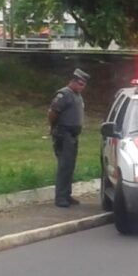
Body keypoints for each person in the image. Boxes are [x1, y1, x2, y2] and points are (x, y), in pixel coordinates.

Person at [48, 68, 90, 208]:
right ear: (72, 81)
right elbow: (53, 112)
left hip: (73, 135)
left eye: (84, 85)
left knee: (70, 166)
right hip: (63, 133)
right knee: (64, 166)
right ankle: (60, 198)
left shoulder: (77, 95)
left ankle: (67, 195)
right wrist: (54, 128)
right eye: (80, 84)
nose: (82, 87)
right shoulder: (64, 94)